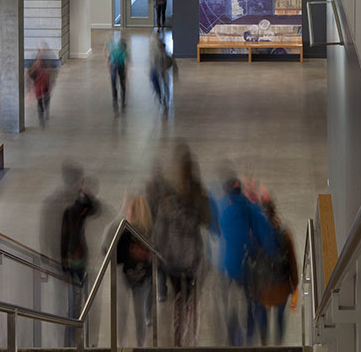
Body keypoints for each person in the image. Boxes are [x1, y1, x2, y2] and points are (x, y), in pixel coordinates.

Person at [150, 146, 211, 347]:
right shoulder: (198, 194)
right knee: (191, 299)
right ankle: (192, 340)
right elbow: (207, 220)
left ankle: (177, 341)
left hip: (172, 258)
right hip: (192, 255)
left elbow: (160, 228)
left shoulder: (168, 196)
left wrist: (157, 250)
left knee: (177, 299)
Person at [216, 177, 280, 346]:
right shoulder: (251, 210)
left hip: (229, 265)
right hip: (249, 265)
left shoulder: (224, 210)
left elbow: (218, 231)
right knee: (250, 301)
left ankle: (233, 336)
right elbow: (265, 234)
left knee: (233, 300)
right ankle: (249, 338)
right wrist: (272, 255)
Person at [57, 180, 96, 346]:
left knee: (76, 305)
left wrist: (84, 194)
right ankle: (72, 343)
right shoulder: (76, 212)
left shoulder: (77, 211)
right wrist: (64, 267)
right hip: (75, 264)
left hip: (77, 263)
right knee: (75, 306)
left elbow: (95, 208)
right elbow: (64, 239)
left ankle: (73, 342)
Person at [256, 199, 298, 345]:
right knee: (280, 317)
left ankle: (264, 345)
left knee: (263, 317)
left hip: (263, 288)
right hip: (282, 286)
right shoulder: (285, 233)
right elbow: (292, 260)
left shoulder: (256, 234)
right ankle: (279, 345)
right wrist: (295, 284)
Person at [116, 193, 155, 347]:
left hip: (127, 277)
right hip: (144, 278)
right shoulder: (150, 231)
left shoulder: (126, 233)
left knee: (122, 314)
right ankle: (141, 345)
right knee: (140, 315)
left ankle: (120, 344)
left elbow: (118, 258)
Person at [27, 49, 54, 128]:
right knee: (42, 101)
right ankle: (43, 116)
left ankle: (43, 115)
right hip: (41, 85)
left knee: (43, 100)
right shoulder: (39, 65)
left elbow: (30, 74)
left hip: (42, 85)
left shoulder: (36, 64)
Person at [149, 32, 176, 112]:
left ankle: (162, 100)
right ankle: (165, 101)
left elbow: (154, 64)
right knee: (166, 86)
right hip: (163, 72)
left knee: (160, 86)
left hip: (158, 72)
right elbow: (170, 64)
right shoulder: (166, 55)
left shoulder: (157, 55)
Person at [107, 35, 129, 109]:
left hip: (113, 67)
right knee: (122, 84)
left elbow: (109, 61)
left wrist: (109, 70)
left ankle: (115, 98)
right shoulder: (124, 52)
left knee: (113, 83)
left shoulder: (112, 50)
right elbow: (126, 63)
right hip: (121, 68)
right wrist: (126, 73)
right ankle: (122, 100)